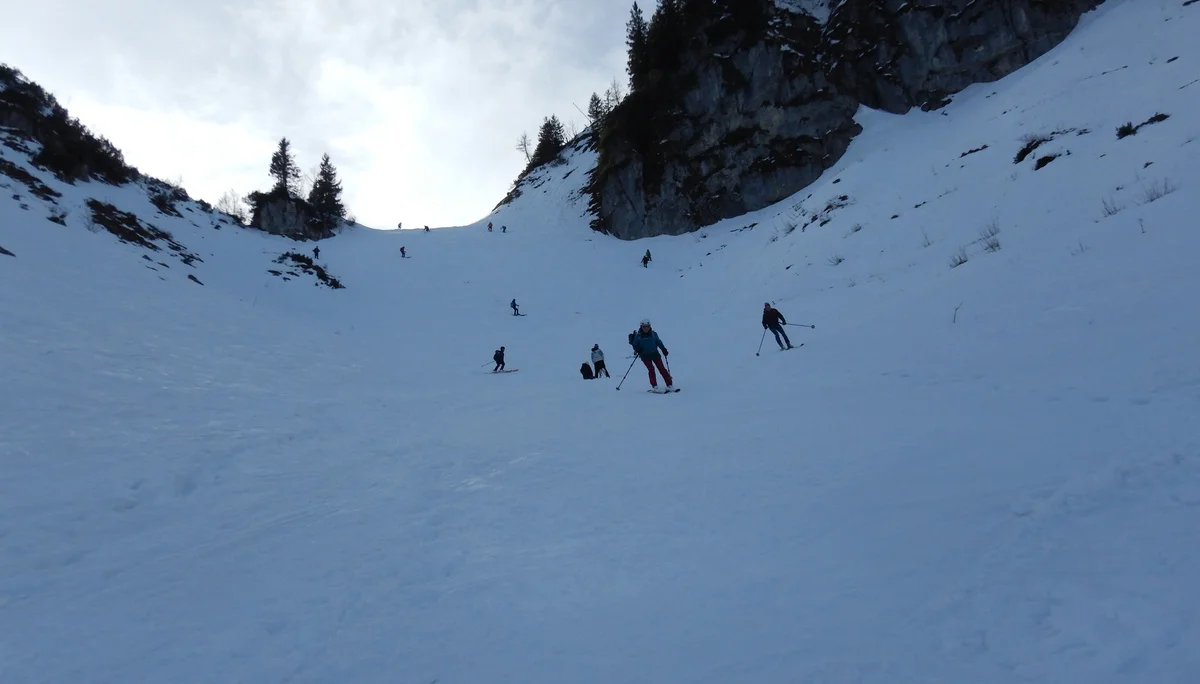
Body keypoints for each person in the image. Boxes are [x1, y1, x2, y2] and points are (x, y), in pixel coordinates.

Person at [629, 318, 673, 390]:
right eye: (644, 327)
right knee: (651, 369)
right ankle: (654, 385)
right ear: (641, 327)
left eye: (648, 326)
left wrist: (663, 349)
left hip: (655, 354)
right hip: (644, 355)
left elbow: (658, 342)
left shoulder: (653, 334)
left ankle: (669, 384)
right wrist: (637, 349)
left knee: (662, 369)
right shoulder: (638, 336)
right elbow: (634, 344)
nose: (646, 328)